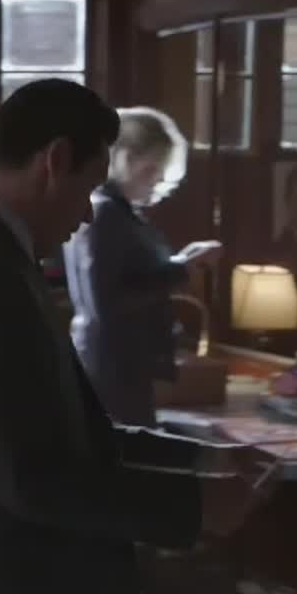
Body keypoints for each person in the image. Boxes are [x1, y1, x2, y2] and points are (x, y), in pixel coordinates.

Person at [0, 80, 270, 594]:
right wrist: (195, 506)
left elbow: (74, 437)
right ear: (55, 161)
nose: (87, 214)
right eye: (88, 187)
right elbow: (33, 478)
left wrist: (203, 458)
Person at [64, 107, 221, 427]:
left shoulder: (116, 212)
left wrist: (180, 262)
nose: (160, 179)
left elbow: (128, 279)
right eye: (153, 168)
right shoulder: (104, 214)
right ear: (124, 160)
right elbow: (108, 300)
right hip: (111, 368)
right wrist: (182, 269)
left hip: (118, 364)